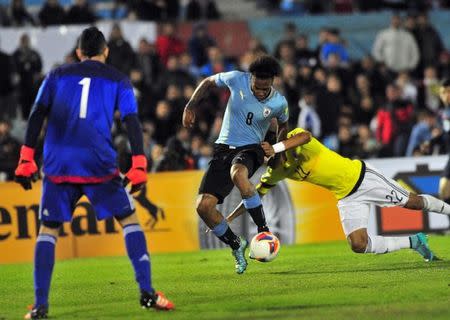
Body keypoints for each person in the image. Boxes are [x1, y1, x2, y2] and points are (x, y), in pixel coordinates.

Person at [14, 27, 174, 320]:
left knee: (48, 230)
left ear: (78, 52)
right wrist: (139, 163)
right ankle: (148, 293)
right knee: (128, 220)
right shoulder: (118, 79)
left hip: (58, 163)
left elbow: (36, 114)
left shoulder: (56, 75)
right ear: (106, 51)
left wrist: (26, 158)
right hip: (98, 164)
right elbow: (131, 120)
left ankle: (39, 307)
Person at [227, 127, 450, 262]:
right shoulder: (275, 172)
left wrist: (276, 148)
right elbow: (253, 195)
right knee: (358, 245)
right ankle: (415, 242)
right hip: (346, 196)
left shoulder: (296, 141)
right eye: (267, 159)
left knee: (412, 203)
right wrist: (228, 218)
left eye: (270, 155)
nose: (270, 161)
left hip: (362, 177)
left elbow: (306, 136)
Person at [182, 55, 289, 274]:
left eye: (265, 88)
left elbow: (283, 127)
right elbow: (208, 82)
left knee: (238, 175)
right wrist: (191, 104)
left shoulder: (279, 102)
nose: (260, 92)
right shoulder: (236, 79)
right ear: (251, 78)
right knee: (203, 206)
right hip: (223, 148)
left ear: (273, 81)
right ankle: (236, 244)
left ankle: (263, 229)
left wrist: (278, 152)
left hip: (251, 148)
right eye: (257, 87)